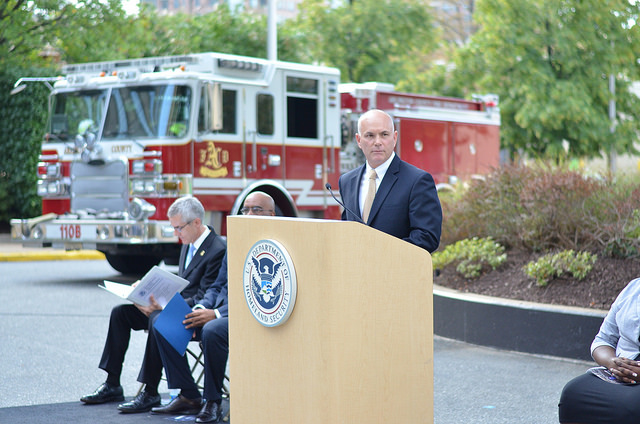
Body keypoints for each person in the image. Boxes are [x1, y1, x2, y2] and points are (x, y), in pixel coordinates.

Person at [80, 196, 226, 414]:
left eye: (179, 228)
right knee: (121, 314)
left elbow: (205, 295)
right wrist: (149, 293)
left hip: (195, 314)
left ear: (196, 222)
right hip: (175, 307)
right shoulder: (189, 243)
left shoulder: (217, 249)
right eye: (174, 228)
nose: (177, 234)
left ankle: (152, 391)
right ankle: (112, 384)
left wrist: (164, 306)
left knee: (159, 319)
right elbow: (183, 284)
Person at [149, 191, 276, 423]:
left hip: (251, 314)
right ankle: (188, 395)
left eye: (256, 209)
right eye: (245, 209)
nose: (248, 214)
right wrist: (200, 307)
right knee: (164, 321)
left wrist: (216, 313)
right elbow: (218, 286)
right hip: (220, 309)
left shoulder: (275, 244)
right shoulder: (235, 242)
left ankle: (212, 401)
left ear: (272, 214)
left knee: (212, 329)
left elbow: (267, 295)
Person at [338, 109, 442, 253]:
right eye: (370, 135)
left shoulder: (417, 181)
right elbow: (347, 231)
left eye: (384, 134)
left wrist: (382, 253)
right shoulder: (347, 181)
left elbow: (427, 237)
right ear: (359, 140)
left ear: (395, 138)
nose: (377, 142)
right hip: (356, 273)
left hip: (396, 272)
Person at [558, 277, 640, 424]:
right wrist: (613, 363)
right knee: (574, 393)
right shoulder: (633, 288)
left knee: (632, 406)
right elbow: (603, 341)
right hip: (621, 373)